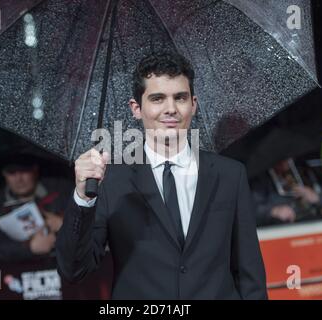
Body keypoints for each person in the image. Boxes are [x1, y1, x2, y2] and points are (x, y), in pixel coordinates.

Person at [56, 52, 267, 299]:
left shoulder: (230, 174)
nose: (170, 109)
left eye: (180, 98)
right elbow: (74, 269)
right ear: (136, 108)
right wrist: (83, 197)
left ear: (193, 104)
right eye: (157, 99)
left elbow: (249, 273)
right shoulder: (111, 179)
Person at [0, 150, 71, 261]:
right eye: (12, 173)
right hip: (24, 271)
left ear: (35, 169)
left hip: (66, 265)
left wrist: (64, 225)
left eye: (24, 171)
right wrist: (30, 248)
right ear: (4, 174)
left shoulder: (61, 189)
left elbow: (92, 225)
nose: (19, 179)